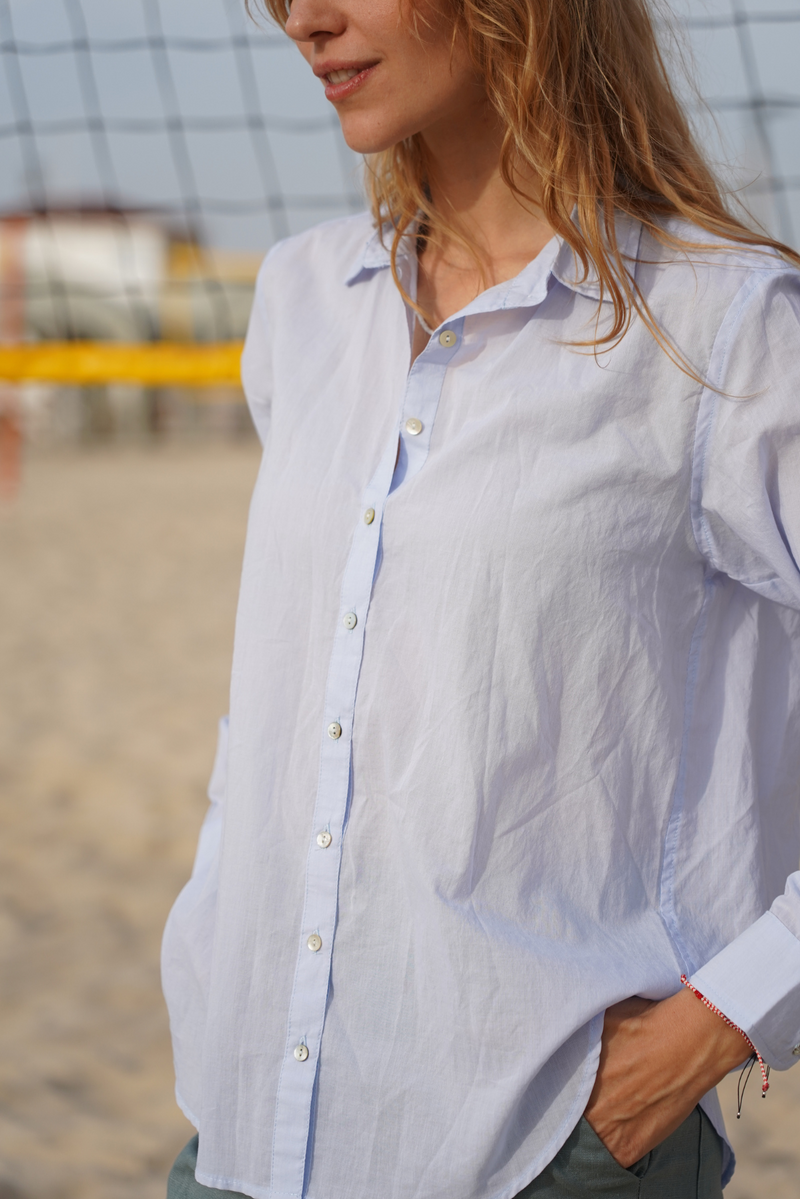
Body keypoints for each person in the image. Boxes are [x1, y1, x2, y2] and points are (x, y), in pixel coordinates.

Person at [161, 1, 800, 1196]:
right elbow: (294, 709)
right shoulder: (305, 299)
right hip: (247, 1126)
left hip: (540, 1142)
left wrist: (731, 1008)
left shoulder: (721, 325)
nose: (303, 17)